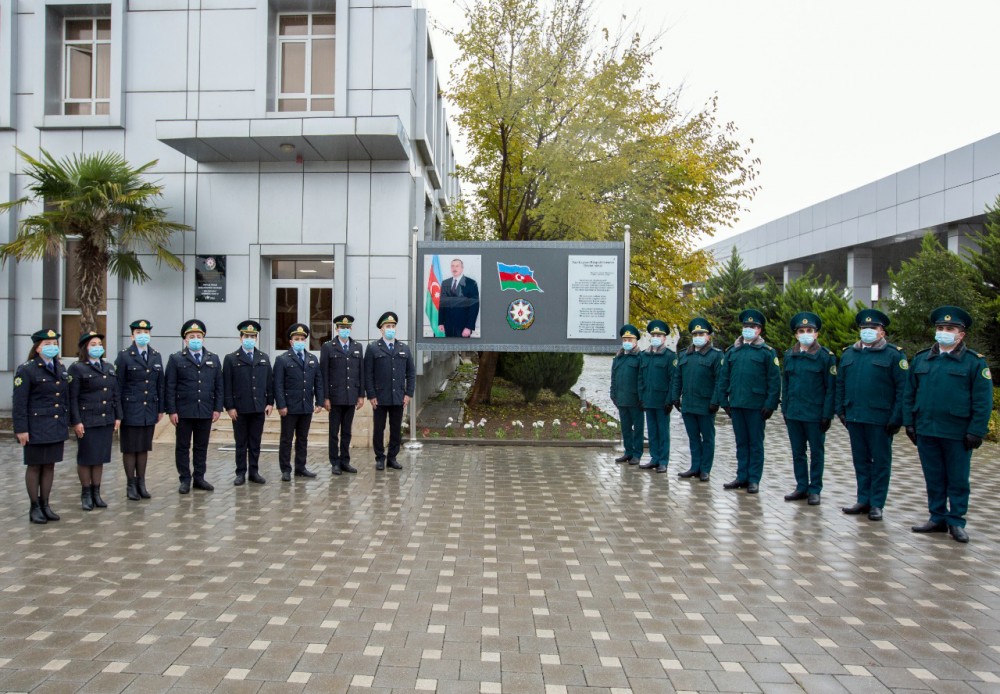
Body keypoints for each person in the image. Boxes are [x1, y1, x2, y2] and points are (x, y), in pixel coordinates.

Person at [903, 306, 993, 543]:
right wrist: (909, 423)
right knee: (933, 475)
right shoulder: (922, 359)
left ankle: (956, 521)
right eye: (940, 328)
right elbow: (909, 393)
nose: (944, 332)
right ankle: (937, 516)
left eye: (950, 329)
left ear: (961, 334)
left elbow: (983, 401)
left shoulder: (974, 363)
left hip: (957, 431)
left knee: (957, 478)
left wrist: (976, 430)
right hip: (927, 428)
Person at [835, 308, 906, 522]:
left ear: (882, 332)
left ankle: (877, 503)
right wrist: (841, 411)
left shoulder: (894, 355)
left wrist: (896, 417)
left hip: (880, 419)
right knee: (861, 461)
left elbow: (903, 389)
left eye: (872, 328)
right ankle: (863, 499)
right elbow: (840, 384)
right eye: (864, 328)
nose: (867, 331)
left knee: (881, 462)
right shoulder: (849, 354)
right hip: (855, 416)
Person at [718, 309, 781, 494]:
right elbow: (724, 378)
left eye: (752, 326)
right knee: (741, 442)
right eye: (746, 326)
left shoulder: (767, 352)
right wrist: (724, 401)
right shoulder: (732, 351)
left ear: (759, 330)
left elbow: (774, 380)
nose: (748, 329)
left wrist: (770, 404)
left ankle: (754, 479)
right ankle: (741, 476)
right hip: (736, 404)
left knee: (755, 443)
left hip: (756, 406)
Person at [12, 329, 69, 524]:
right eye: (47, 344)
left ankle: (45, 504)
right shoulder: (27, 369)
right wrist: (21, 429)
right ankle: (34, 506)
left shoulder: (60, 367)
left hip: (55, 425)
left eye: (54, 344)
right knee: (35, 466)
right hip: (35, 426)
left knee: (50, 465)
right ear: (37, 348)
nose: (52, 347)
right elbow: (19, 402)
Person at [780, 312, 836, 506]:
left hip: (815, 414)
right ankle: (801, 486)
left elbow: (831, 388)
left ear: (816, 334)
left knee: (816, 453)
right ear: (796, 335)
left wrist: (827, 414)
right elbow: (785, 384)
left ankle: (815, 489)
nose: (806, 334)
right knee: (798, 452)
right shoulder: (790, 355)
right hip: (794, 413)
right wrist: (785, 409)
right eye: (802, 331)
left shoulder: (825, 357)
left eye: (809, 330)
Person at [165, 319, 224, 494]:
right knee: (183, 447)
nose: (195, 339)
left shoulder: (213, 358)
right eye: (192, 336)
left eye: (199, 336)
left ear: (203, 338)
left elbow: (218, 385)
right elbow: (170, 386)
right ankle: (184, 479)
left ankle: (199, 477)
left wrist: (217, 408)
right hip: (183, 411)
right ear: (185, 340)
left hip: (205, 410)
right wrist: (172, 410)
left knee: (201, 446)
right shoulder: (176, 359)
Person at [69, 331, 122, 510]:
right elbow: (73, 398)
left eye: (99, 344)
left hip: (105, 418)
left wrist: (118, 416)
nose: (98, 347)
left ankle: (96, 493)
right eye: (93, 344)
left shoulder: (108, 367)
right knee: (86, 457)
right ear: (85, 348)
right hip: (87, 419)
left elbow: (115, 394)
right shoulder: (77, 368)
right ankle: (85, 493)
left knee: (99, 457)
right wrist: (76, 421)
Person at [115, 319, 164, 500]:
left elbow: (160, 383)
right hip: (130, 409)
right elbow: (117, 387)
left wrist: (161, 408)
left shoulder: (155, 355)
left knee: (143, 448)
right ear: (132, 336)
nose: (142, 336)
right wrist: (118, 413)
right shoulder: (125, 356)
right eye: (138, 333)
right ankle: (130, 485)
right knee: (130, 449)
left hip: (149, 409)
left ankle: (141, 483)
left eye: (145, 333)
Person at [671, 317, 723, 482]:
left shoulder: (715, 355)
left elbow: (719, 380)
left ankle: (705, 469)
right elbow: (677, 377)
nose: (698, 336)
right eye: (695, 334)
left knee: (707, 438)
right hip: (688, 403)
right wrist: (675, 397)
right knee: (693, 437)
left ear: (708, 337)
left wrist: (716, 401)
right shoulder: (685, 355)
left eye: (702, 333)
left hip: (706, 404)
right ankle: (695, 467)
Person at [223, 320, 273, 486]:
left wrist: (270, 402)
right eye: (246, 336)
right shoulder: (231, 359)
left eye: (253, 336)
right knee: (241, 443)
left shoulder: (263, 358)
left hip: (258, 407)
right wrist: (229, 406)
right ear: (241, 338)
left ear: (256, 338)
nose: (249, 338)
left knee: (255, 442)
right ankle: (240, 472)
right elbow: (227, 385)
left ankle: (254, 471)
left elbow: (269, 382)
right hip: (240, 408)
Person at [364, 311, 415, 470]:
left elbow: (411, 373)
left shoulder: (404, 348)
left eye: (393, 326)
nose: (390, 328)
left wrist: (409, 393)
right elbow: (368, 374)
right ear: (381, 330)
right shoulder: (373, 348)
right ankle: (380, 457)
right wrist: (371, 394)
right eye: (388, 326)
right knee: (379, 429)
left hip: (398, 397)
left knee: (395, 429)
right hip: (379, 397)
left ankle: (392, 457)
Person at [273, 323, 324, 481]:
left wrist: (319, 401)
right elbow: (278, 384)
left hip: (306, 406)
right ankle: (286, 469)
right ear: (291, 341)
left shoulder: (312, 359)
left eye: (302, 338)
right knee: (287, 439)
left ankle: (300, 467)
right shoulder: (282, 360)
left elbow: (318, 382)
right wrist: (281, 405)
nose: (300, 341)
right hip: (289, 407)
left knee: (303, 439)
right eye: (297, 339)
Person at [321, 314, 365, 476]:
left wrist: (361, 395)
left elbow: (360, 372)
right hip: (334, 397)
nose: (344, 330)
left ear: (351, 329)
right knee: (334, 432)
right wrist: (325, 397)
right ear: (336, 329)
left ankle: (345, 461)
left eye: (347, 328)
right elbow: (324, 373)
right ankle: (335, 462)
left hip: (351, 395)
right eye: (341, 327)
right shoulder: (328, 347)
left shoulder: (357, 347)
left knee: (347, 431)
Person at [637, 319, 676, 473]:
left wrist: (670, 400)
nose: (656, 338)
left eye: (659, 335)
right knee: (652, 431)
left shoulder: (670, 356)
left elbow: (673, 380)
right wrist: (641, 397)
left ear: (664, 338)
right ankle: (654, 458)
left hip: (662, 401)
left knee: (663, 432)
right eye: (654, 335)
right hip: (648, 399)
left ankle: (663, 461)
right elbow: (640, 378)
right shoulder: (644, 355)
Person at [611, 324, 644, 466]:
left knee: (638, 428)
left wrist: (641, 397)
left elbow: (643, 379)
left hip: (635, 400)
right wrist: (613, 394)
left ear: (636, 341)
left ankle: (637, 454)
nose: (627, 342)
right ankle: (628, 452)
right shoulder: (618, 358)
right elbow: (614, 378)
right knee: (625, 428)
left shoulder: (640, 357)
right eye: (625, 339)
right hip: (621, 399)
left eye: (630, 339)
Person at [437, 259, 479, 337]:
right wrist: (441, 322)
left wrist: (469, 327)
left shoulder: (471, 283)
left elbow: (474, 307)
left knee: (462, 349)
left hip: (463, 327)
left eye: (457, 266)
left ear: (462, 268)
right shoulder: (445, 282)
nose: (454, 268)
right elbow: (442, 303)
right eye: (452, 266)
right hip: (448, 326)